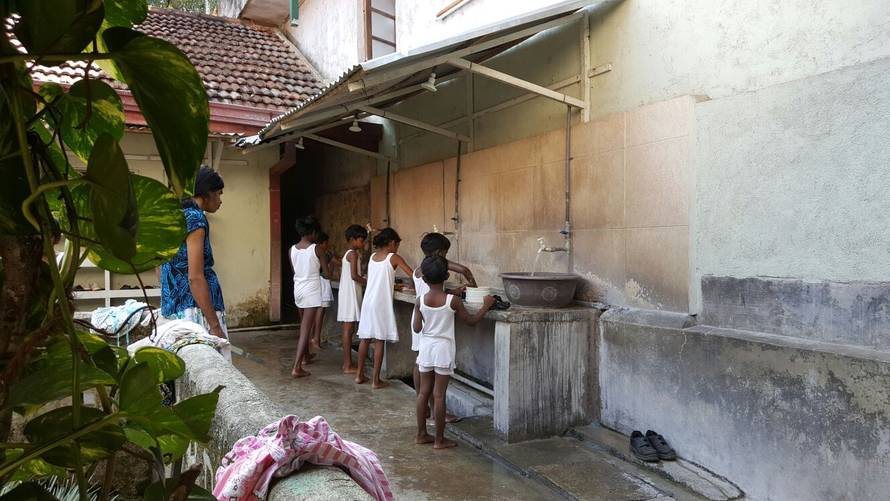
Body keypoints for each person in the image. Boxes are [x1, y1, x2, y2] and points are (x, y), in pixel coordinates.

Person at [413, 255, 494, 449]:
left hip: (426, 348)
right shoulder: (453, 300)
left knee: (424, 392)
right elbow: (471, 321)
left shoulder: (420, 300)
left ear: (424, 279)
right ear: (447, 275)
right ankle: (440, 440)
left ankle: (421, 434)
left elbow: (416, 328)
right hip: (443, 349)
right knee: (439, 395)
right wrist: (486, 305)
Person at [411, 233, 477, 422]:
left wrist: (450, 292)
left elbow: (431, 291)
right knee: (429, 375)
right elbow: (464, 270)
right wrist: (474, 288)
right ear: (439, 252)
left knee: (420, 363)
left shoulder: (420, 269)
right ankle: (434, 410)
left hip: (421, 318)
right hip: (430, 324)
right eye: (445, 253)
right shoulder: (436, 265)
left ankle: (423, 406)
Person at [160, 166, 227, 338]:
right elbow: (195, 277)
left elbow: (159, 264)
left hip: (174, 307)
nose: (220, 200)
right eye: (219, 193)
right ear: (208, 193)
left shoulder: (174, 216)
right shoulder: (195, 219)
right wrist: (215, 326)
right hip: (195, 310)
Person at [355, 228, 413, 388]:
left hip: (368, 301)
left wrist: (393, 284)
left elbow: (377, 279)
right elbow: (412, 274)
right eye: (397, 244)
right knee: (380, 340)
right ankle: (375, 380)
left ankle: (359, 375)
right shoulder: (393, 257)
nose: (397, 248)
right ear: (392, 243)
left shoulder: (373, 257)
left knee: (365, 338)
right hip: (380, 303)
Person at [289, 216, 329, 378]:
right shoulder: (317, 249)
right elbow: (327, 274)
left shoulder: (292, 249)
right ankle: (297, 367)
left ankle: (305, 356)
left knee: (303, 324)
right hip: (311, 291)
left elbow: (295, 271)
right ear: (312, 232)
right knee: (306, 329)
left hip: (298, 289)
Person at [337, 224, 368, 374]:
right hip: (350, 293)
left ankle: (347, 362)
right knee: (348, 328)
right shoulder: (353, 254)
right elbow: (354, 276)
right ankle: (347, 364)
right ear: (352, 239)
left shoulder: (349, 253)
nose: (363, 244)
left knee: (348, 328)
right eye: (361, 240)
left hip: (348, 292)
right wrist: (369, 282)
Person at [311, 231, 335, 353]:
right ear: (323, 243)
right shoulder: (323, 254)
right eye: (327, 242)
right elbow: (327, 274)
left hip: (315, 283)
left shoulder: (314, 252)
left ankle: (314, 337)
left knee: (316, 312)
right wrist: (332, 268)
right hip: (322, 283)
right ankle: (316, 338)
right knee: (320, 312)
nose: (328, 244)